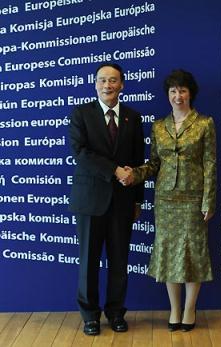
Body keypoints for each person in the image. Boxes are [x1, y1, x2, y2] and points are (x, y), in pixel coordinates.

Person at [122, 69, 216, 332]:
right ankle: (174, 309)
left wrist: (209, 201)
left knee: (192, 253)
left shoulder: (204, 123)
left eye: (182, 90)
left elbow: (210, 165)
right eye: (173, 91)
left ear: (190, 93)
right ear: (168, 95)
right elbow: (154, 164)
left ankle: (189, 309)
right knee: (169, 253)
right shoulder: (158, 126)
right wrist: (135, 174)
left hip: (193, 199)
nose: (178, 96)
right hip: (165, 200)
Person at [68, 63, 144, 335]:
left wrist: (138, 201)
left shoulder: (133, 118)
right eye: (102, 80)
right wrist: (114, 169)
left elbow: (138, 162)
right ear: (95, 84)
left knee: (119, 261)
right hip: (90, 200)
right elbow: (80, 153)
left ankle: (115, 312)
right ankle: (90, 315)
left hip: (123, 202)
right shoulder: (81, 113)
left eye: (113, 81)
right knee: (88, 261)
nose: (107, 85)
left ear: (122, 85)